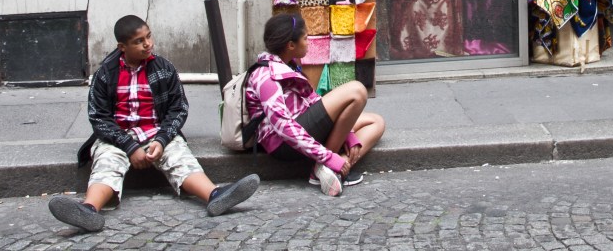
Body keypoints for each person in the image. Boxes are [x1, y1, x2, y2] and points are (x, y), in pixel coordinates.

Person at [48, 15, 260, 233]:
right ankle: (89, 209)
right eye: (139, 41)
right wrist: (129, 146)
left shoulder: (163, 68)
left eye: (148, 37)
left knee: (179, 157)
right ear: (122, 47)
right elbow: (99, 117)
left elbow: (178, 109)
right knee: (108, 162)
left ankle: (215, 195)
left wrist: (162, 139)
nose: (147, 44)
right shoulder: (106, 74)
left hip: (157, 132)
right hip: (118, 137)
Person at [246, 14, 385, 196]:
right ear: (291, 45)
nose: (309, 42)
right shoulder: (265, 75)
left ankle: (332, 169)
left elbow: (313, 101)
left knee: (376, 122)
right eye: (305, 38)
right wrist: (328, 157)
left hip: (305, 124)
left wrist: (348, 134)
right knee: (357, 91)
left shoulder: (289, 65)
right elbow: (284, 128)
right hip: (283, 143)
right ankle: (326, 165)